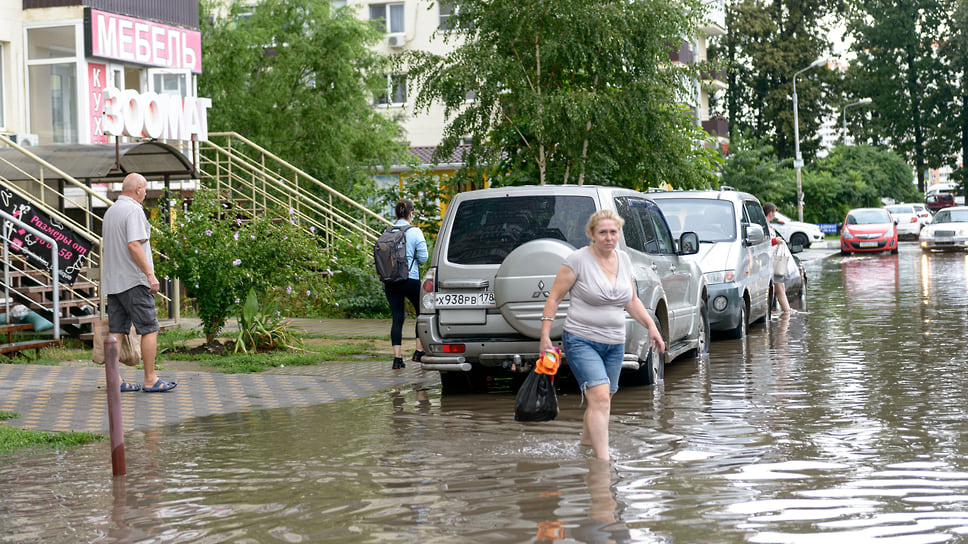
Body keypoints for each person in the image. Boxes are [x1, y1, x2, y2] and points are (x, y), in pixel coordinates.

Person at [538, 209, 665, 460]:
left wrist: (651, 326)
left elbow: (631, 300)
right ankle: (603, 463)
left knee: (604, 398)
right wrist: (544, 336)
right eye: (603, 232)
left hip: (615, 343)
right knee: (599, 398)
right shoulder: (577, 261)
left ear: (619, 233)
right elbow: (554, 297)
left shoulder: (624, 260)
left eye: (613, 232)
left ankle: (585, 446)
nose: (609, 237)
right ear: (591, 234)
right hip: (581, 339)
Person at [101, 173, 176, 392]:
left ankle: (115, 380)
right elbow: (134, 245)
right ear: (139, 189)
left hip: (113, 281)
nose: (145, 193)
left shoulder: (110, 211)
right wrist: (150, 275)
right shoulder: (133, 210)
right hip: (133, 281)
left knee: (116, 331)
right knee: (149, 328)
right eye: (145, 189)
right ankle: (150, 379)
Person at [384, 198, 429, 370]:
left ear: (396, 214)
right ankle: (418, 352)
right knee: (421, 313)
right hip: (410, 279)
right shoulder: (415, 231)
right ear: (411, 214)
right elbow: (424, 257)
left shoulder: (387, 231)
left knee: (397, 318)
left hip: (391, 281)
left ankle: (397, 359)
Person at [763, 202, 792, 313]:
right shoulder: (764, 226)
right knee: (779, 285)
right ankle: (786, 312)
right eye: (774, 212)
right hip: (769, 261)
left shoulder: (768, 226)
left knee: (780, 286)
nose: (775, 214)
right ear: (770, 213)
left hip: (772, 260)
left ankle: (783, 310)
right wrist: (776, 241)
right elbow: (765, 242)